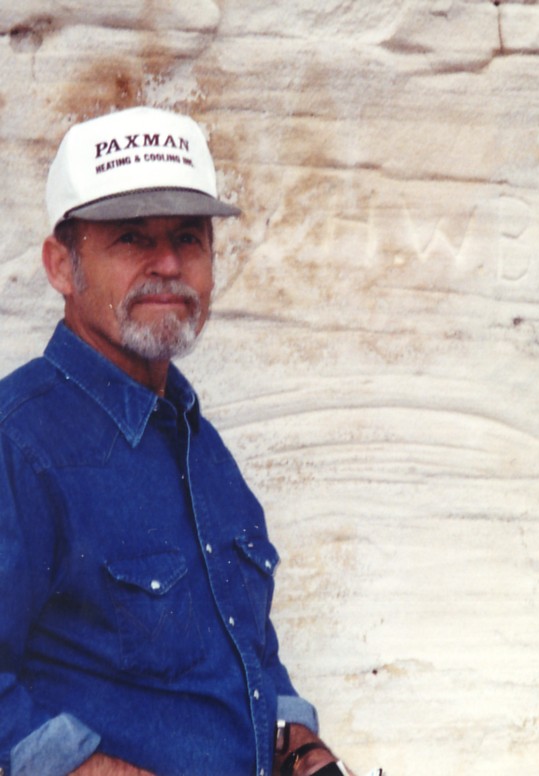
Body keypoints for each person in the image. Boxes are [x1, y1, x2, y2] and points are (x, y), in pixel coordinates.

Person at [0, 107, 349, 776]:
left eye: (188, 238)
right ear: (61, 266)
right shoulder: (19, 446)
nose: (167, 263)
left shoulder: (200, 446)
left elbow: (245, 650)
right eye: (132, 238)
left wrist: (300, 743)